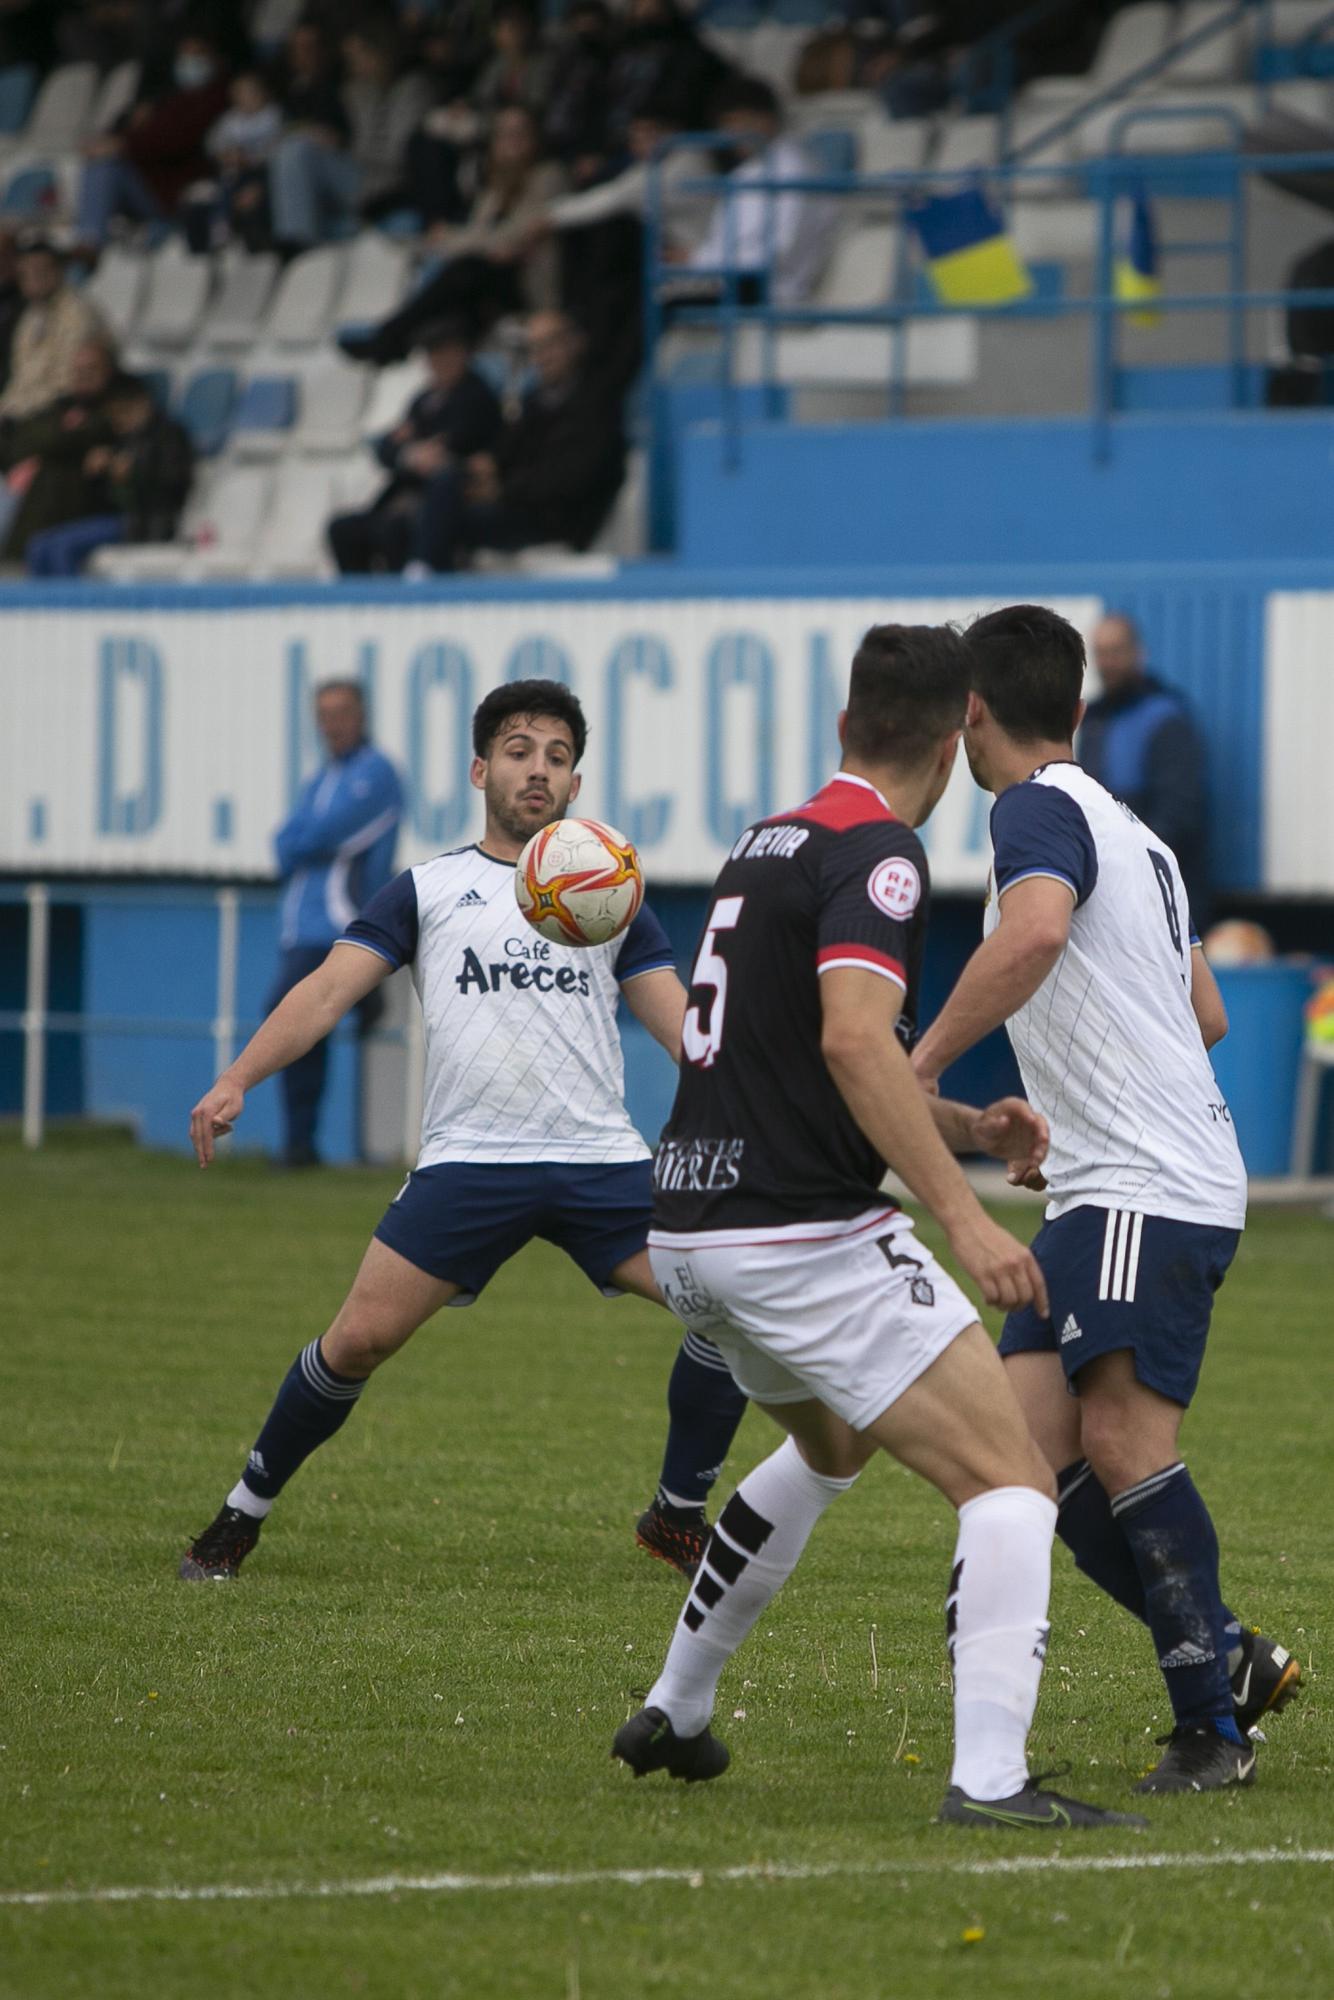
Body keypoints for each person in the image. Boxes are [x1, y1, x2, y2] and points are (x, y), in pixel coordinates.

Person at [614, 624, 1144, 1832]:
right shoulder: (882, 852)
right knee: (1012, 1478)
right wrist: (963, 1218)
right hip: (797, 1236)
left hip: (694, 1230)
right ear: (961, 725)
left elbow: (807, 1053)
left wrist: (958, 1122)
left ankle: (674, 1707)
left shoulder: (771, 835)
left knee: (833, 1445)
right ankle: (992, 1782)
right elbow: (856, 1039)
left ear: (847, 716)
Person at [179, 679, 748, 1588]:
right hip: (470, 1162)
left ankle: (677, 1514)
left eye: (558, 758)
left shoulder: (609, 894)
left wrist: (753, 1094)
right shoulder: (429, 890)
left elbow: (681, 1026)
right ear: (482, 769)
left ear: (574, 784)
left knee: (731, 1303)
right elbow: (329, 988)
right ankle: (238, 1519)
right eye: (520, 751)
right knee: (354, 1343)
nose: (539, 771)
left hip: (602, 1161)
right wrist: (238, 1078)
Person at [910, 604, 1300, 1795]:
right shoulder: (1133, 831)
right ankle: (1228, 1657)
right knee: (1021, 1465)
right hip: (1112, 1178)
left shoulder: (1027, 810)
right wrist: (1071, 1108)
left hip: (1141, 1184)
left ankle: (1209, 1732)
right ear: (1076, 709)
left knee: (1124, 1443)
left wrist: (912, 1068)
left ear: (969, 710)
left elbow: (1031, 935)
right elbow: (1206, 1014)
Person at [267, 681, 404, 1170]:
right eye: (323, 714)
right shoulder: (319, 779)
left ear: (362, 715)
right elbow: (283, 844)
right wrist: (301, 842)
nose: (332, 724)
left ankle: (300, 1144)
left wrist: (301, 842)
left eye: (342, 712)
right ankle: (299, 1143)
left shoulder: (377, 773)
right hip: (301, 926)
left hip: (343, 921)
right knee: (299, 1023)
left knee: (291, 1014)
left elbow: (330, 835)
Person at [338, 106, 565, 364]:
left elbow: (510, 237)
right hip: (487, 286)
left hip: (527, 289)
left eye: (519, 133)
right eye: (503, 134)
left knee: (466, 270)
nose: (511, 142)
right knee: (457, 294)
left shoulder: (549, 177)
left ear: (535, 139)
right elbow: (484, 239)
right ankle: (408, 352)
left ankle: (391, 337)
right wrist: (476, 244)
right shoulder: (493, 190)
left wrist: (455, 239)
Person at [407, 310, 624, 572]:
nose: (541, 356)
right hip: (521, 504)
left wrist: (504, 489)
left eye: (549, 344)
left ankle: (424, 586)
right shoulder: (535, 400)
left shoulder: (596, 406)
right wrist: (485, 468)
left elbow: (571, 478)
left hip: (557, 520)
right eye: (534, 348)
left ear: (574, 343)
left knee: (448, 519)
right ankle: (416, 580)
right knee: (442, 488)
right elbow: (505, 452)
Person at [327, 319, 502, 576]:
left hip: (448, 498)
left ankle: (412, 589)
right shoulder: (423, 400)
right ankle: (358, 600)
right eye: (433, 353)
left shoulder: (478, 396)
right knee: (344, 529)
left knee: (396, 527)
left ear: (463, 353)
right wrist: (409, 454)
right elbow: (390, 446)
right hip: (407, 492)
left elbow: (454, 445)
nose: (439, 361)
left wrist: (414, 450)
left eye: (446, 352)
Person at [1079, 613, 1210, 925]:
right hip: (1107, 893)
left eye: (1115, 652)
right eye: (1100, 653)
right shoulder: (1094, 720)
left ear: (1138, 653)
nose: (1106, 662)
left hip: (1159, 895)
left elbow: (1177, 814)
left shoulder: (1166, 718)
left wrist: (1127, 866)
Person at [673, 76, 833, 309]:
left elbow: (779, 251)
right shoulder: (748, 172)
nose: (733, 132)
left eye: (742, 122)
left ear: (768, 119)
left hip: (773, 291)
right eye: (727, 124)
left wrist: (699, 260)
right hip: (734, 281)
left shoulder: (794, 169)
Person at [268, 21, 431, 249]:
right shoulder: (355, 92)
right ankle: (296, 242)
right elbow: (355, 142)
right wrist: (333, 142)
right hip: (362, 176)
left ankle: (305, 241)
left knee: (303, 149)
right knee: (296, 148)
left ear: (380, 52)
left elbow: (398, 154)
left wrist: (346, 147)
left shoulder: (414, 88)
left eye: (358, 55)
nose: (353, 64)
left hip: (393, 184)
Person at [74, 27, 231, 247]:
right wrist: (115, 138)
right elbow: (131, 127)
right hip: (149, 183)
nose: (189, 61)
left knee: (106, 168)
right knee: (99, 163)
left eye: (197, 55)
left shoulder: (217, 99)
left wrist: (122, 145)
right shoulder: (172, 97)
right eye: (184, 56)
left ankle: (88, 244)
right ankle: (87, 241)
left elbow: (176, 140)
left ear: (214, 58)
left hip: (176, 193)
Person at [25, 372, 194, 576]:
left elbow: (173, 487)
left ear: (143, 404)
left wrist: (135, 474)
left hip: (146, 521)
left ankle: (70, 607)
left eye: (123, 412)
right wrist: (97, 474)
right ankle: (45, 606)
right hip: (114, 518)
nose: (119, 420)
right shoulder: (121, 439)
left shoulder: (170, 436)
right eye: (114, 414)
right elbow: (106, 497)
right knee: (39, 545)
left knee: (62, 548)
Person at [0, 336, 122, 561]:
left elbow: (85, 435)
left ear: (109, 371)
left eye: (91, 368)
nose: (83, 375)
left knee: (51, 475)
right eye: (77, 369)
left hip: (86, 507)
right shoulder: (60, 406)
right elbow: (24, 439)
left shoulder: (116, 408)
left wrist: (56, 440)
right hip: (39, 504)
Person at [0, 239, 109, 424]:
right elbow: (21, 378)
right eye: (26, 273)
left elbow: (66, 384)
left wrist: (15, 413)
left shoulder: (76, 313)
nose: (33, 278)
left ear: (59, 270)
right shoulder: (31, 315)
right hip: (23, 412)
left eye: (41, 271)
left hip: (63, 412)